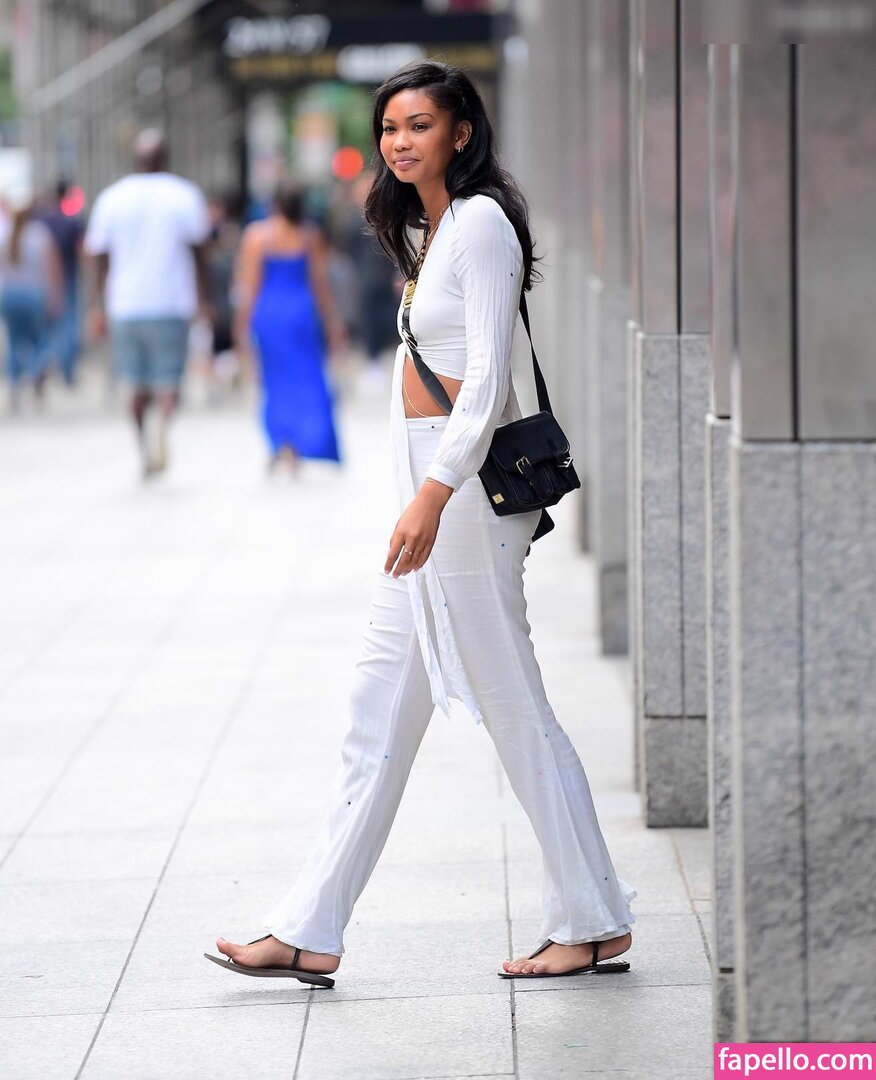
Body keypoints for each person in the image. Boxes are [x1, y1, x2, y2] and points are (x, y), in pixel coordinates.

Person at [208, 59, 636, 985]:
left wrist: (433, 493)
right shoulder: (432, 227)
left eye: (419, 125)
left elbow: (485, 379)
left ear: (461, 133)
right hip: (435, 493)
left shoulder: (480, 223)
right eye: (390, 127)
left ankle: (593, 919)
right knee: (376, 713)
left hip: (464, 497)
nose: (400, 142)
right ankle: (308, 926)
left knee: (513, 706)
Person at [84, 129, 211, 478]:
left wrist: (97, 305)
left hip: (125, 305)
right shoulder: (184, 195)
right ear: (165, 158)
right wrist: (205, 300)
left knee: (134, 381)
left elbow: (99, 258)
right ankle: (162, 429)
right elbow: (200, 253)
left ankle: (142, 443)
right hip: (171, 302)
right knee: (169, 380)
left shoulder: (112, 198)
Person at [233, 182, 345, 474]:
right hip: (301, 313)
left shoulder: (257, 235)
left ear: (274, 205)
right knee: (305, 379)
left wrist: (241, 324)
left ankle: (281, 441)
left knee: (274, 381)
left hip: (270, 314)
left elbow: (249, 285)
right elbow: (320, 284)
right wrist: (333, 322)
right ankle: (300, 442)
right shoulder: (309, 235)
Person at [0, 189, 63, 410]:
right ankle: (37, 372)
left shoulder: (5, 235)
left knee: (15, 342)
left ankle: (15, 384)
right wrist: (55, 295)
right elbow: (52, 268)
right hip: (34, 294)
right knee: (40, 339)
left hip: (9, 294)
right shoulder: (40, 235)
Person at [36, 180, 85, 387]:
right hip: (68, 279)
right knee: (69, 326)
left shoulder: (42, 221)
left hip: (44, 281)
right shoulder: (71, 222)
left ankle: (41, 363)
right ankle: (67, 371)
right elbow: (82, 251)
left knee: (46, 327)